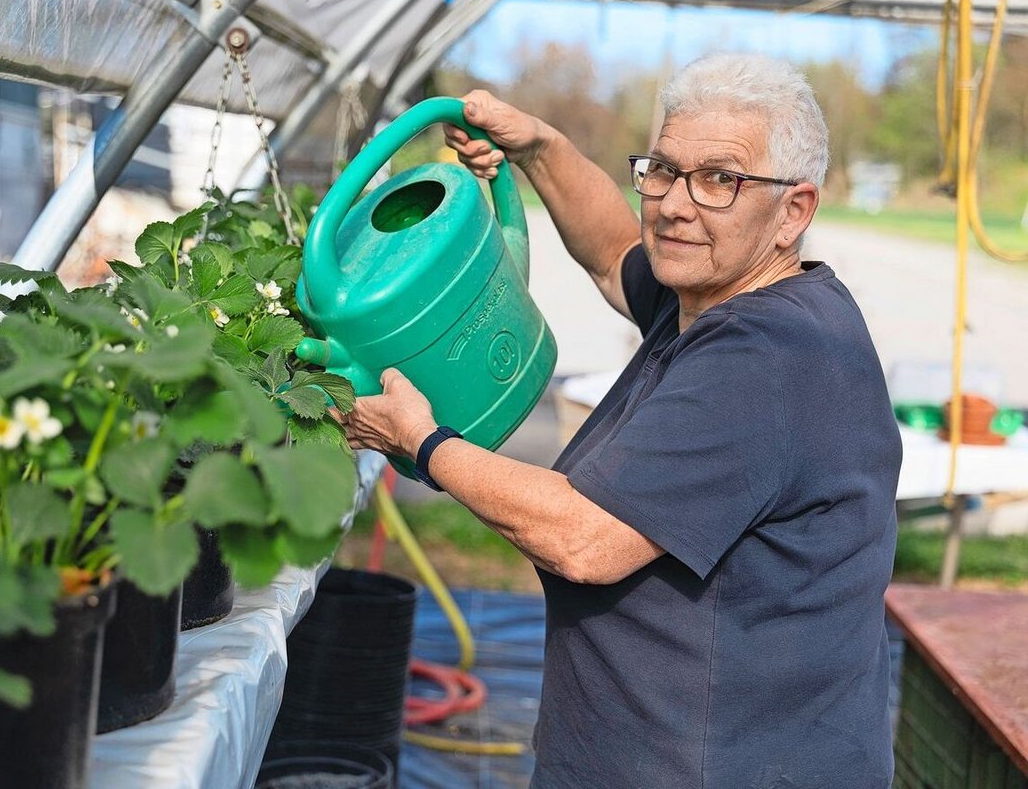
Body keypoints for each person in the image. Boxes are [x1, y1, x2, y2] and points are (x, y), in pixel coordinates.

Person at [332, 53, 902, 788]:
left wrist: (421, 440)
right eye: (661, 169)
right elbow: (610, 252)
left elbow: (583, 538)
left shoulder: (767, 356)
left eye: (719, 180)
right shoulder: (715, 292)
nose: (674, 204)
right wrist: (538, 146)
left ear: (794, 210)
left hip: (718, 765)